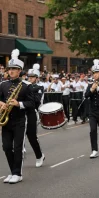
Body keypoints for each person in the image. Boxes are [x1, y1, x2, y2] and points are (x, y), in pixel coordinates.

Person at [0, 49, 35, 184]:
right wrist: (1, 104)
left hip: (20, 120)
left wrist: (18, 103)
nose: (11, 71)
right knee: (6, 147)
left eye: (14, 69)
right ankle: (12, 171)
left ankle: (17, 173)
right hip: (6, 121)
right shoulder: (3, 84)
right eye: (10, 69)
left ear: (20, 70)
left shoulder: (26, 85)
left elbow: (32, 103)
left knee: (18, 147)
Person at [85, 59, 99, 158]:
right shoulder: (90, 85)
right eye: (93, 73)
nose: (95, 75)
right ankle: (94, 149)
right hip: (92, 111)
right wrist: (91, 89)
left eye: (97, 73)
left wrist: (98, 89)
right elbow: (86, 95)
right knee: (93, 130)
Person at [25, 64, 45, 167]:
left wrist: (28, 90)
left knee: (32, 137)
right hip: (22, 112)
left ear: (36, 78)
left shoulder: (39, 87)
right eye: (29, 77)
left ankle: (39, 155)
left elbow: (37, 100)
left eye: (32, 77)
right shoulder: (24, 85)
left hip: (33, 112)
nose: (30, 78)